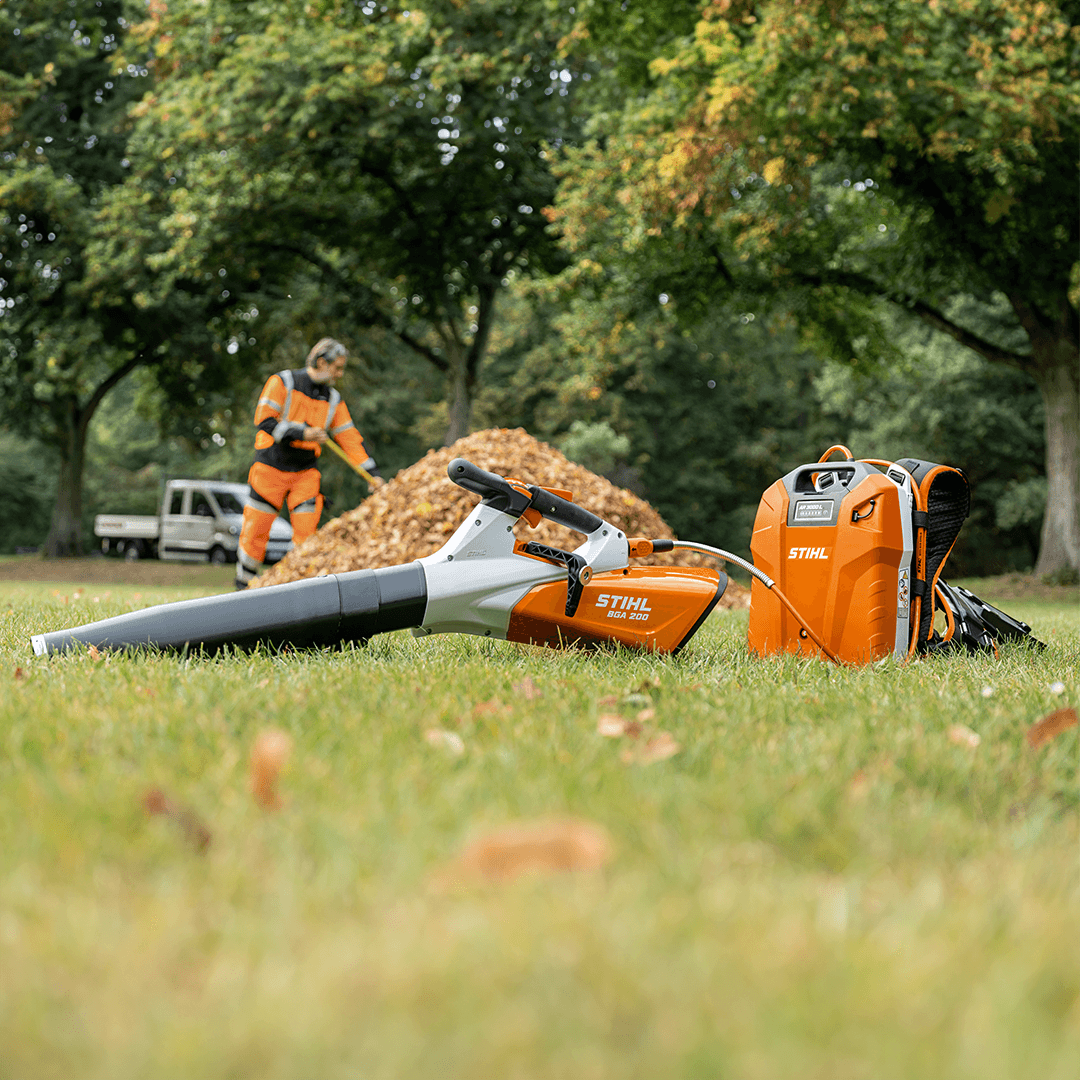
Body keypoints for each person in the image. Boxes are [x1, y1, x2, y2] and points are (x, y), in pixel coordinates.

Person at [235, 337, 382, 588]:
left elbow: (349, 438)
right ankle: (242, 589)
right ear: (322, 362)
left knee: (306, 536)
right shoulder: (283, 381)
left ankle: (296, 589)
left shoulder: (333, 400)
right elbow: (264, 421)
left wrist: (373, 474)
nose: (340, 374)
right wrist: (302, 433)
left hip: (305, 474)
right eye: (337, 368)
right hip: (270, 469)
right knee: (255, 533)